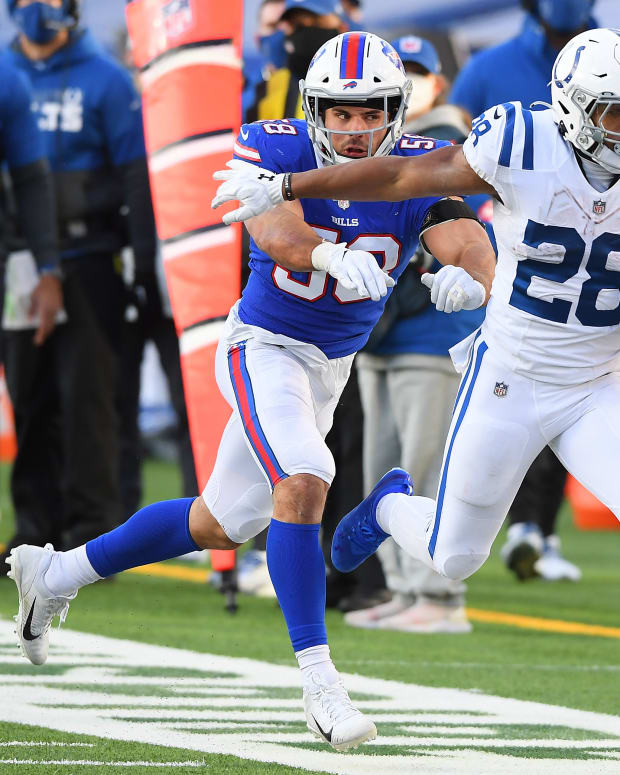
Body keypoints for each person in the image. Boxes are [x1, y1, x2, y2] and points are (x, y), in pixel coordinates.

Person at [6, 32, 496, 751]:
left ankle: (53, 571)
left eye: (369, 114)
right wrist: (328, 252)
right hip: (264, 347)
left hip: (329, 367)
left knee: (216, 522)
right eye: (339, 113)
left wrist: (470, 276)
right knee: (304, 480)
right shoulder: (277, 145)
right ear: (312, 110)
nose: (353, 130)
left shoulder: (419, 160)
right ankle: (320, 683)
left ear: (396, 113)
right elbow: (273, 228)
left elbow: (463, 234)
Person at [211, 29, 620, 594]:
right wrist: (287, 186)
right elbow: (402, 178)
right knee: (454, 556)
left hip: (600, 383)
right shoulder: (523, 142)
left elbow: (463, 234)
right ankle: (387, 508)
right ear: (575, 110)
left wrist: (479, 279)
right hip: (512, 374)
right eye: (614, 114)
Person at [1, 0, 157, 558]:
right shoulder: (5, 68)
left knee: (89, 399)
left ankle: (91, 535)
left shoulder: (109, 81)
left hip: (91, 254)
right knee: (29, 395)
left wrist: (142, 259)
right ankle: (32, 530)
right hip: (19, 257)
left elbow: (137, 175)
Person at [345, 35, 490, 633]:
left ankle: (438, 593)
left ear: (437, 81)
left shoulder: (452, 148)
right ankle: (403, 585)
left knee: (426, 465)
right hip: (379, 336)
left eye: (419, 72)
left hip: (431, 335)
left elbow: (466, 243)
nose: (409, 82)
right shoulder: (367, 144)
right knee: (383, 470)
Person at [450, 0, 597, 583]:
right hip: (513, 270)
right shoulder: (492, 75)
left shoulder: (608, 58)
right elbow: (441, 167)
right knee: (460, 534)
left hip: (592, 282)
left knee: (578, 389)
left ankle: (540, 527)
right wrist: (461, 249)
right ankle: (511, 524)